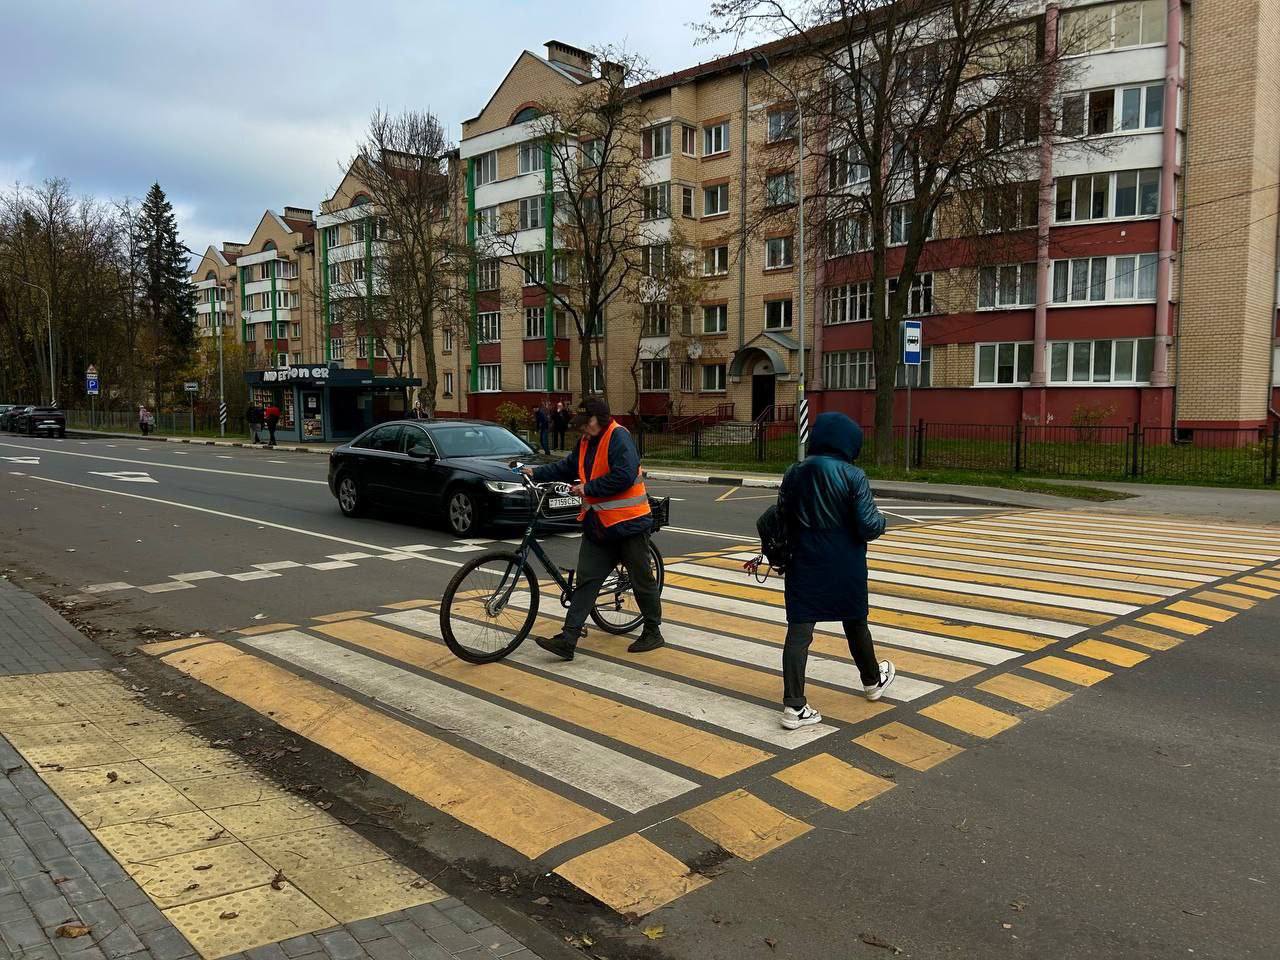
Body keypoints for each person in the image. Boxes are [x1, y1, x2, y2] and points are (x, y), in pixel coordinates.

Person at [776, 411, 895, 729]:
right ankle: (872, 682)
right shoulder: (853, 475)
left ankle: (794, 707)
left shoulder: (794, 472)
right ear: (848, 443)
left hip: (803, 562)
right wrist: (882, 519)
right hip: (845, 563)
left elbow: (782, 516)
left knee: (799, 632)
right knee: (855, 622)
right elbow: (869, 526)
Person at [523, 398, 663, 659]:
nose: (581, 430)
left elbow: (624, 475)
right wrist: (536, 472)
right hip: (600, 526)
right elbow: (567, 467)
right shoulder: (587, 441)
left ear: (600, 419)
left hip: (629, 524)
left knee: (641, 579)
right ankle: (569, 638)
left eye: (585, 424)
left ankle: (653, 631)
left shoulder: (619, 437)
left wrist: (588, 488)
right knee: (587, 581)